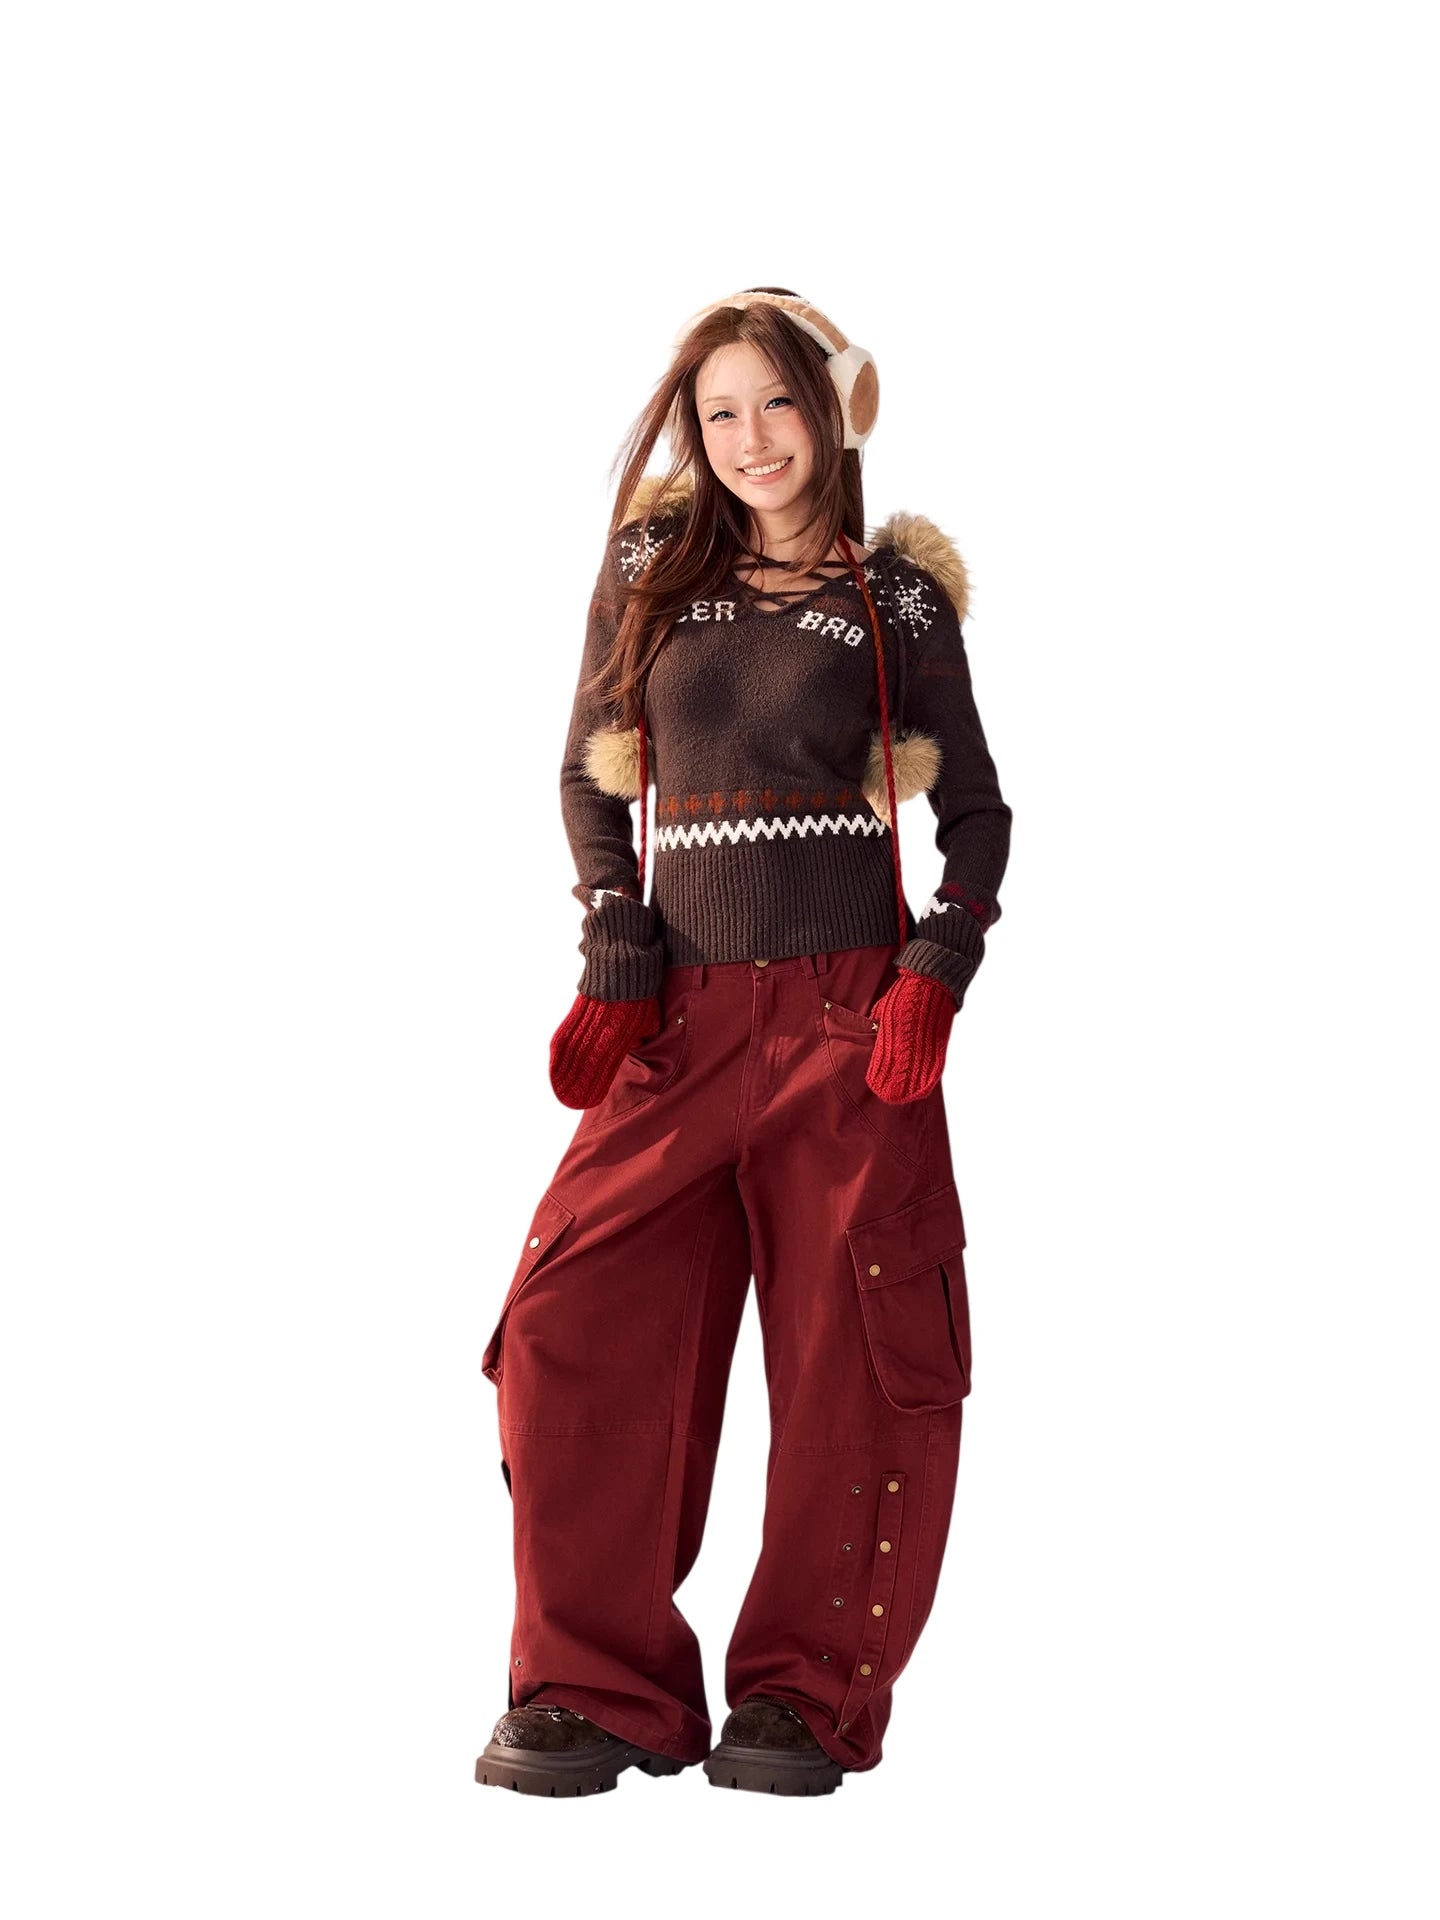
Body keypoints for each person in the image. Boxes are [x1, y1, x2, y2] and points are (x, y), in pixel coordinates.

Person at [474, 287, 1012, 1798]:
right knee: (571, 1322)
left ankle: (803, 1697)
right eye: (719, 412)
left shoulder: (896, 598)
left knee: (859, 1351)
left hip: (852, 1019)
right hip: (679, 1016)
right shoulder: (653, 568)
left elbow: (977, 811)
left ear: (833, 411)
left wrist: (938, 965)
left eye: (777, 402)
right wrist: (616, 941)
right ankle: (596, 1690)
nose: (750, 438)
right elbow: (588, 775)